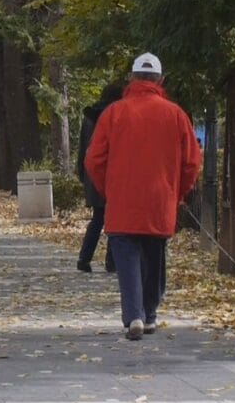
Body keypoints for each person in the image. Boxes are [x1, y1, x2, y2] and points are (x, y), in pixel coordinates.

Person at [84, 53, 201, 340]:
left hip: (122, 201)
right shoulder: (176, 115)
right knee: (154, 257)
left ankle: (134, 315)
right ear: (160, 80)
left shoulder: (114, 113)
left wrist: (107, 189)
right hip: (160, 201)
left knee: (127, 261)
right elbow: (192, 162)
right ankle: (149, 314)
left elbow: (94, 159)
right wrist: (178, 192)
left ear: (132, 79)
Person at [76, 82, 123, 274]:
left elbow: (82, 149)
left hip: (91, 173)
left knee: (97, 218)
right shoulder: (116, 117)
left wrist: (82, 173)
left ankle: (84, 258)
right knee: (114, 219)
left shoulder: (90, 117)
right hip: (112, 174)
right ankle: (111, 262)